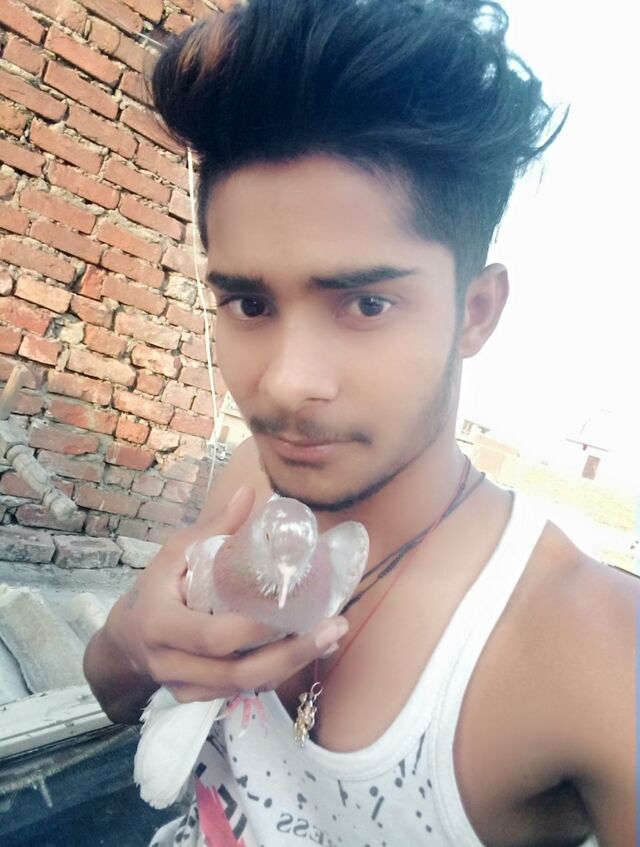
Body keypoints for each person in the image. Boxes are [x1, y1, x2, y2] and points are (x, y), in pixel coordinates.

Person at [83, 1, 637, 844]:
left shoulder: (590, 653)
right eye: (249, 302)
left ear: (476, 312)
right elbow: (113, 689)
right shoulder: (250, 482)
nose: (285, 383)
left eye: (367, 304)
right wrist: (133, 642)